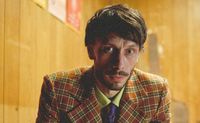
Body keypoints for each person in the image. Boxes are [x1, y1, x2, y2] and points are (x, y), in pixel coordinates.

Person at [36, 4, 171, 123]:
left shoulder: (156, 91)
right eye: (108, 49)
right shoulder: (57, 88)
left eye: (130, 51)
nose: (119, 64)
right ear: (91, 51)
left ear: (139, 53)